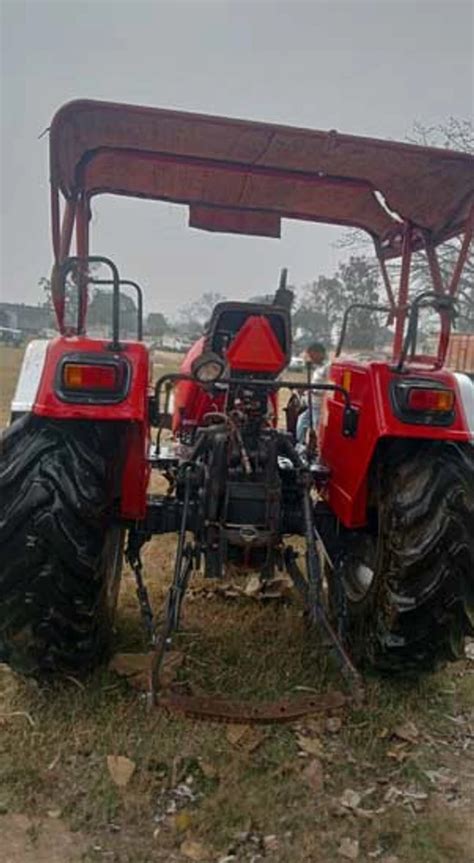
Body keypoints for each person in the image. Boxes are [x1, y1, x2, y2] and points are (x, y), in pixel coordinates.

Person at [296, 342, 329, 445]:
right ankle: (299, 445)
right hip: (312, 405)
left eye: (312, 355)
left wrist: (310, 389)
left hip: (319, 406)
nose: (310, 358)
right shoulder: (319, 368)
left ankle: (317, 450)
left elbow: (328, 388)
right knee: (301, 422)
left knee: (317, 429)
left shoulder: (328, 368)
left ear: (319, 353)